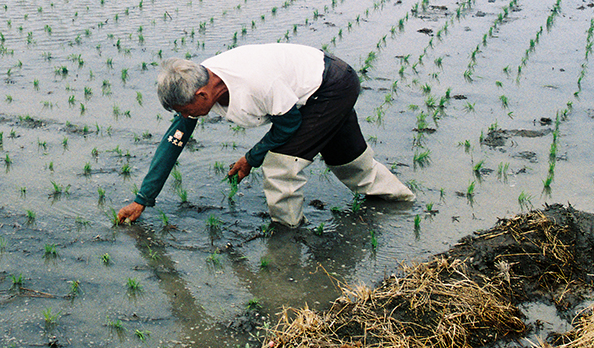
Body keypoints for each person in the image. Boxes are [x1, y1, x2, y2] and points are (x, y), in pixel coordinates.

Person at [116, 43, 414, 228]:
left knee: (281, 164)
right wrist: (143, 199)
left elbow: (288, 125)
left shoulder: (255, 82)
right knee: (347, 158)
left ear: (202, 93)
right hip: (314, 87)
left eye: (185, 109)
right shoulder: (196, 82)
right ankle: (403, 204)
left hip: (330, 87)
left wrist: (251, 158)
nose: (184, 116)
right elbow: (173, 142)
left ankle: (287, 233)